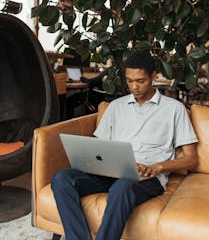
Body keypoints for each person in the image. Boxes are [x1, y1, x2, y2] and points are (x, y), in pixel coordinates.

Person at [51, 50, 198, 240]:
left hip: (146, 179)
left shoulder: (174, 109)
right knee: (62, 178)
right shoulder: (116, 107)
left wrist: (158, 167)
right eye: (129, 81)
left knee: (123, 187)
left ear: (154, 76)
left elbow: (191, 159)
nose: (134, 86)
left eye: (140, 81)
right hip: (110, 174)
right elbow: (99, 145)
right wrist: (91, 159)